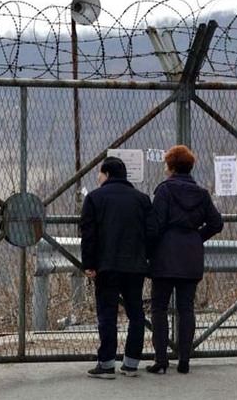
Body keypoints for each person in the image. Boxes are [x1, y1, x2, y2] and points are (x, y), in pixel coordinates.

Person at [147, 145, 224, 375]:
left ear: (170, 166)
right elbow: (216, 223)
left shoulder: (164, 191)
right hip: (190, 254)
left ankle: (161, 360)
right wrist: (197, 237)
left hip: (165, 254)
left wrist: (149, 252)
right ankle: (184, 359)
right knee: (186, 308)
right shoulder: (201, 194)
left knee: (159, 308)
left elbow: (155, 226)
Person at [80, 156, 152, 379]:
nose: (98, 178)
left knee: (107, 314)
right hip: (135, 266)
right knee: (136, 313)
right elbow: (151, 233)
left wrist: (89, 264)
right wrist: (145, 259)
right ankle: (131, 363)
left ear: (107, 174)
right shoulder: (142, 199)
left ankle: (107, 363)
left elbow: (89, 235)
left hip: (107, 266)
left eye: (100, 174)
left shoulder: (94, 198)